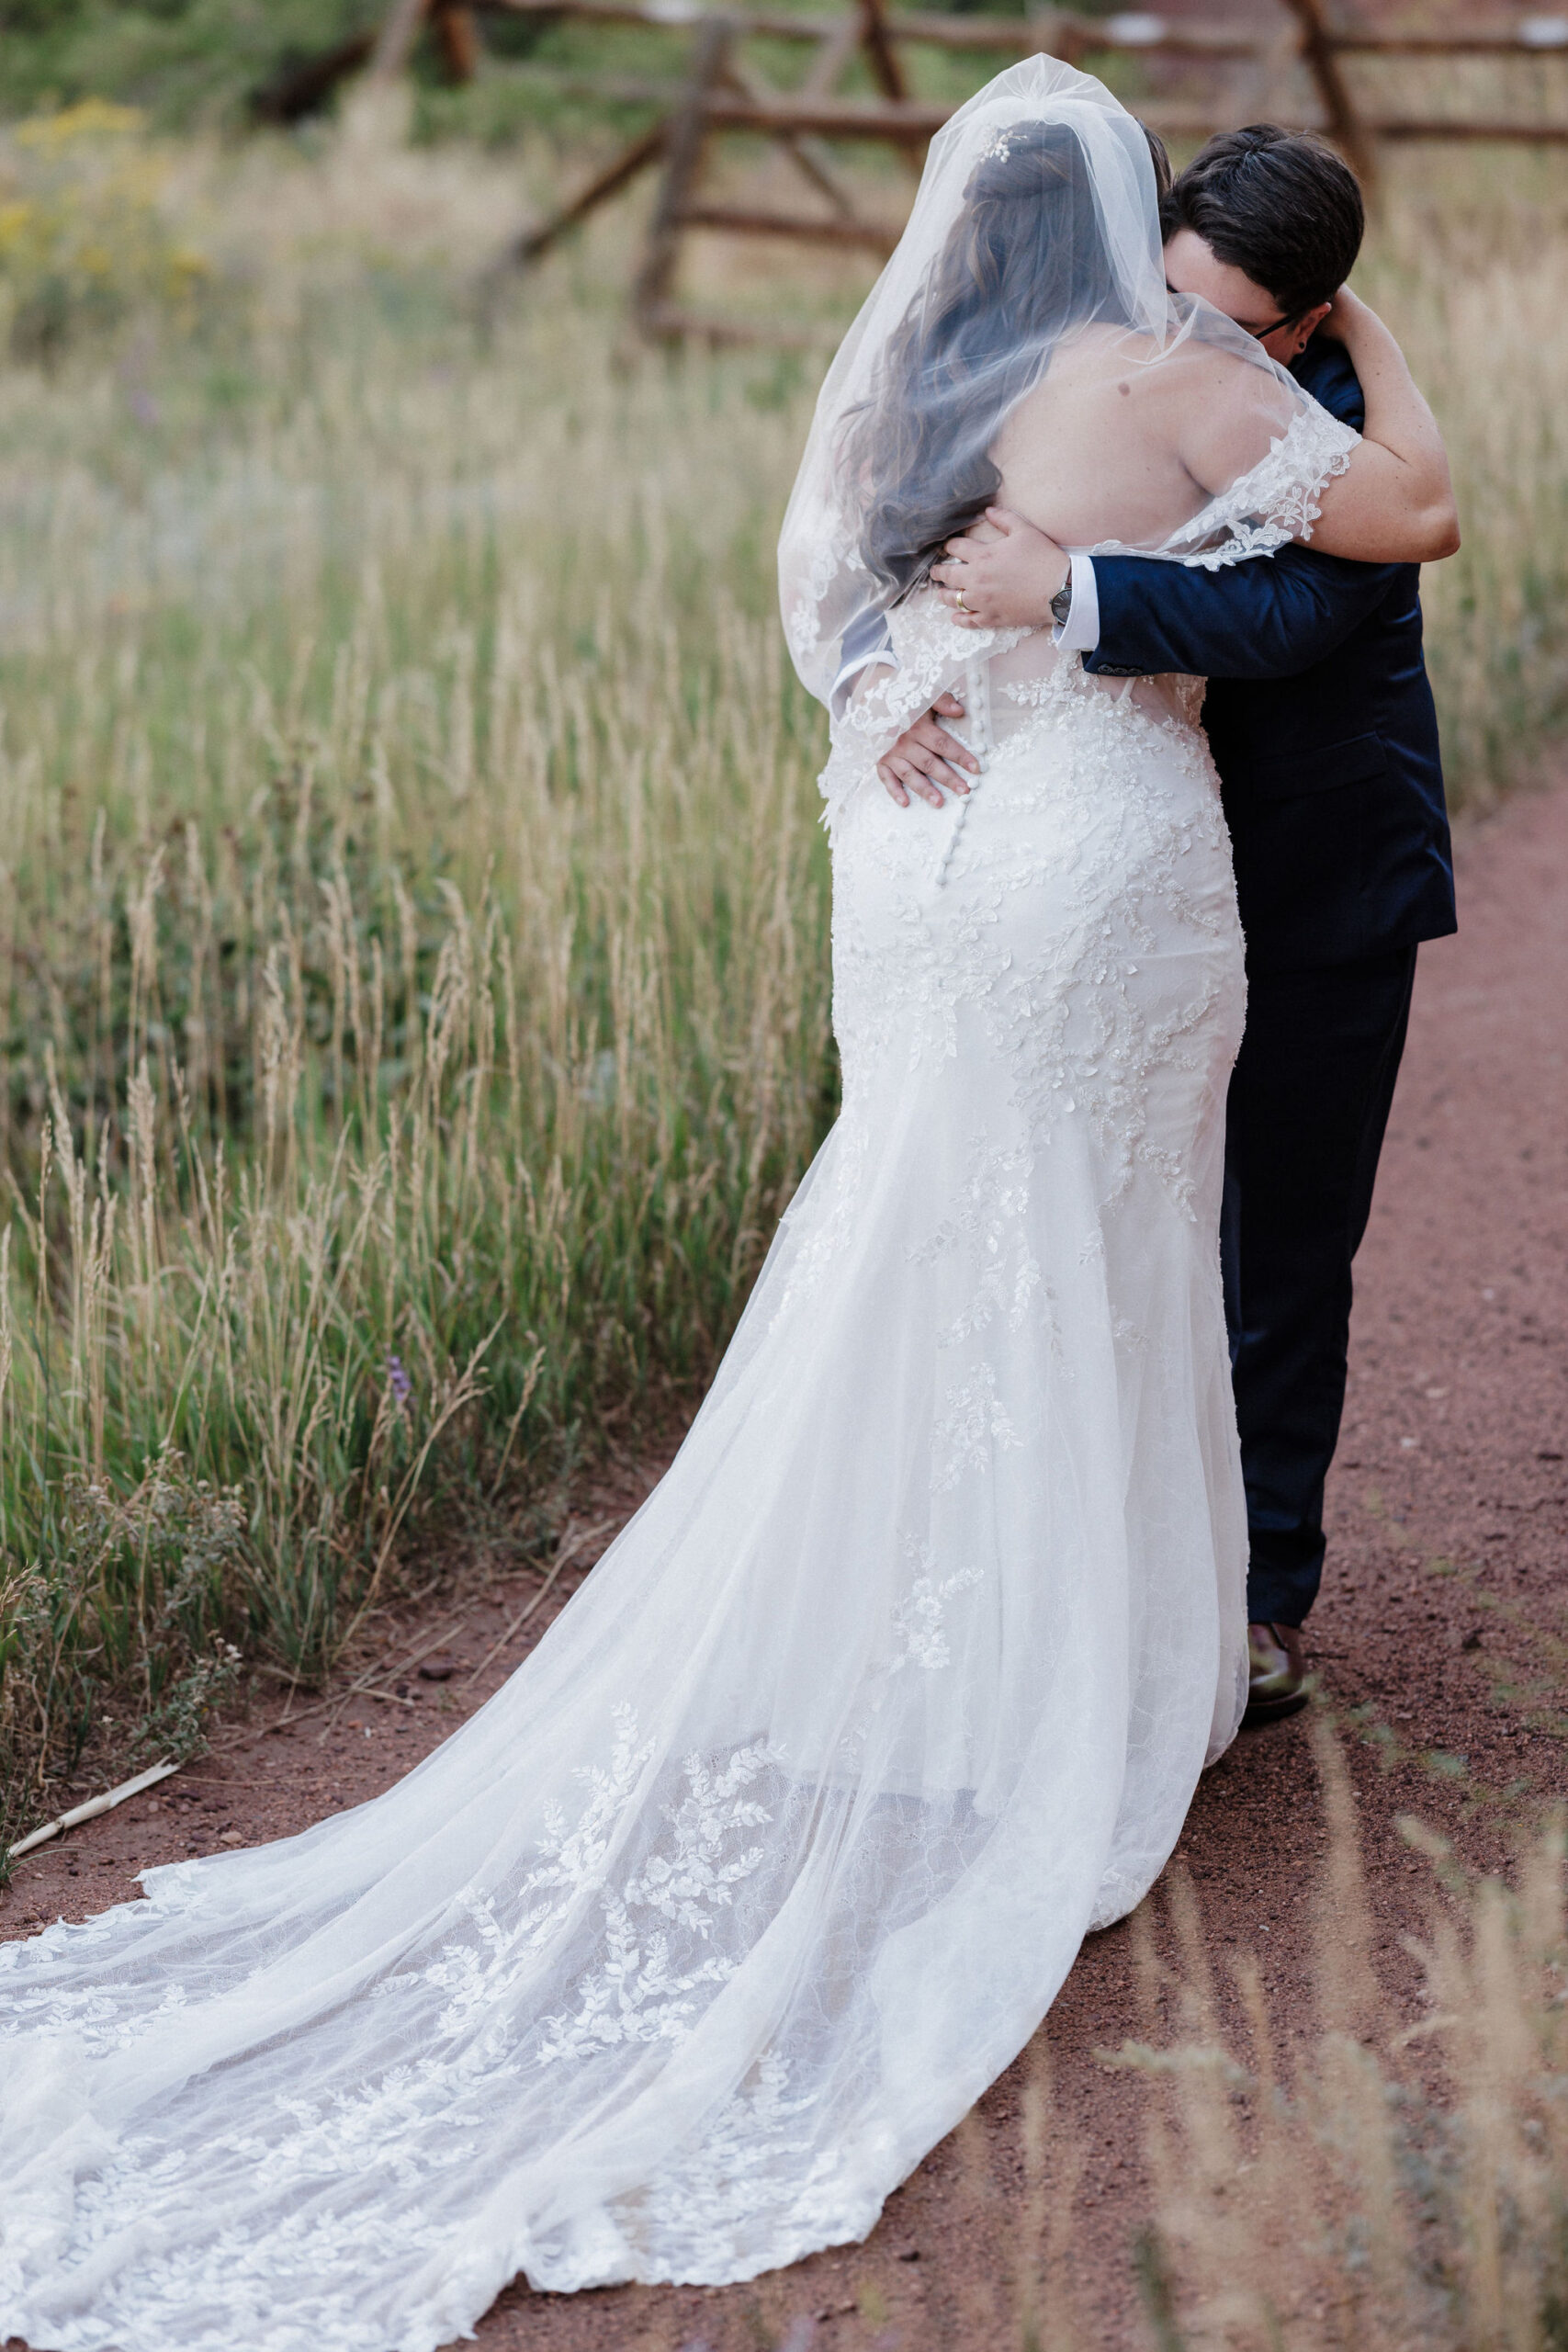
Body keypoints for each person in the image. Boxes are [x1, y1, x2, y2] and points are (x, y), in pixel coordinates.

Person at [0, 62, 1456, 2352]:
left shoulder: (894, 386)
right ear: (1123, 239)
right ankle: (1088, 1667)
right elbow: (1406, 513)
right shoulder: (1176, 379)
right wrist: (1335, 359)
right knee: (1091, 1242)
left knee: (920, 1223)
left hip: (914, 851)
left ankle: (913, 1633)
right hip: (1084, 856)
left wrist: (899, 672)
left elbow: (830, 608)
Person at [877, 125, 1458, 1725]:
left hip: (1316, 867)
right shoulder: (1106, 346)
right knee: (1096, 1221)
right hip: (1116, 872)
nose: (1187, 342)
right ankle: (1095, 1576)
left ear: (1305, 322)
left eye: (1229, 325)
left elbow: (1298, 612)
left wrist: (1067, 594)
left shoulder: (1335, 417)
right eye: (1173, 297)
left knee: (1276, 1243)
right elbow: (913, 507)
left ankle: (1260, 1602)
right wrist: (892, 682)